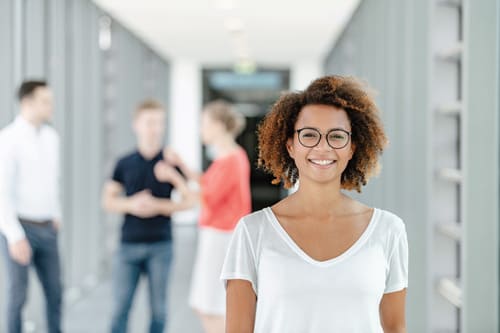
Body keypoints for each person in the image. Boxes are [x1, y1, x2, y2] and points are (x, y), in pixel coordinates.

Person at [221, 75, 409, 333]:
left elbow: (396, 327)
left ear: (352, 147)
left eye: (337, 136)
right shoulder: (252, 232)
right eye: (309, 135)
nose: (323, 147)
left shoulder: (388, 230)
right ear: (290, 146)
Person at [154, 100, 251, 333]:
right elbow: (207, 183)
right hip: (218, 235)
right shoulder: (228, 157)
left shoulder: (231, 160)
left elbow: (203, 198)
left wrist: (173, 178)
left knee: (210, 305)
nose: (201, 129)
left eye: (204, 123)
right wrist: (182, 167)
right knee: (207, 303)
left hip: (221, 237)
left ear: (218, 125)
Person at [101, 100, 195, 333]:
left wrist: (160, 202)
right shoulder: (124, 163)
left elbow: (190, 201)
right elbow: (108, 201)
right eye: (150, 122)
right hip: (128, 246)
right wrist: (132, 204)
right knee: (120, 308)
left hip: (161, 245)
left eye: (160, 123)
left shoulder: (171, 162)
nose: (155, 128)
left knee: (159, 311)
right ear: (137, 125)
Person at [0, 80, 63, 333]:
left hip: (47, 227)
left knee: (55, 292)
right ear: (27, 103)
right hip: (19, 228)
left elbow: (53, 180)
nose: (51, 106)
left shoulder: (51, 137)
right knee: (18, 296)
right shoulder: (8, 140)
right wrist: (15, 236)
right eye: (45, 101)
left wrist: (56, 213)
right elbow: (1, 192)